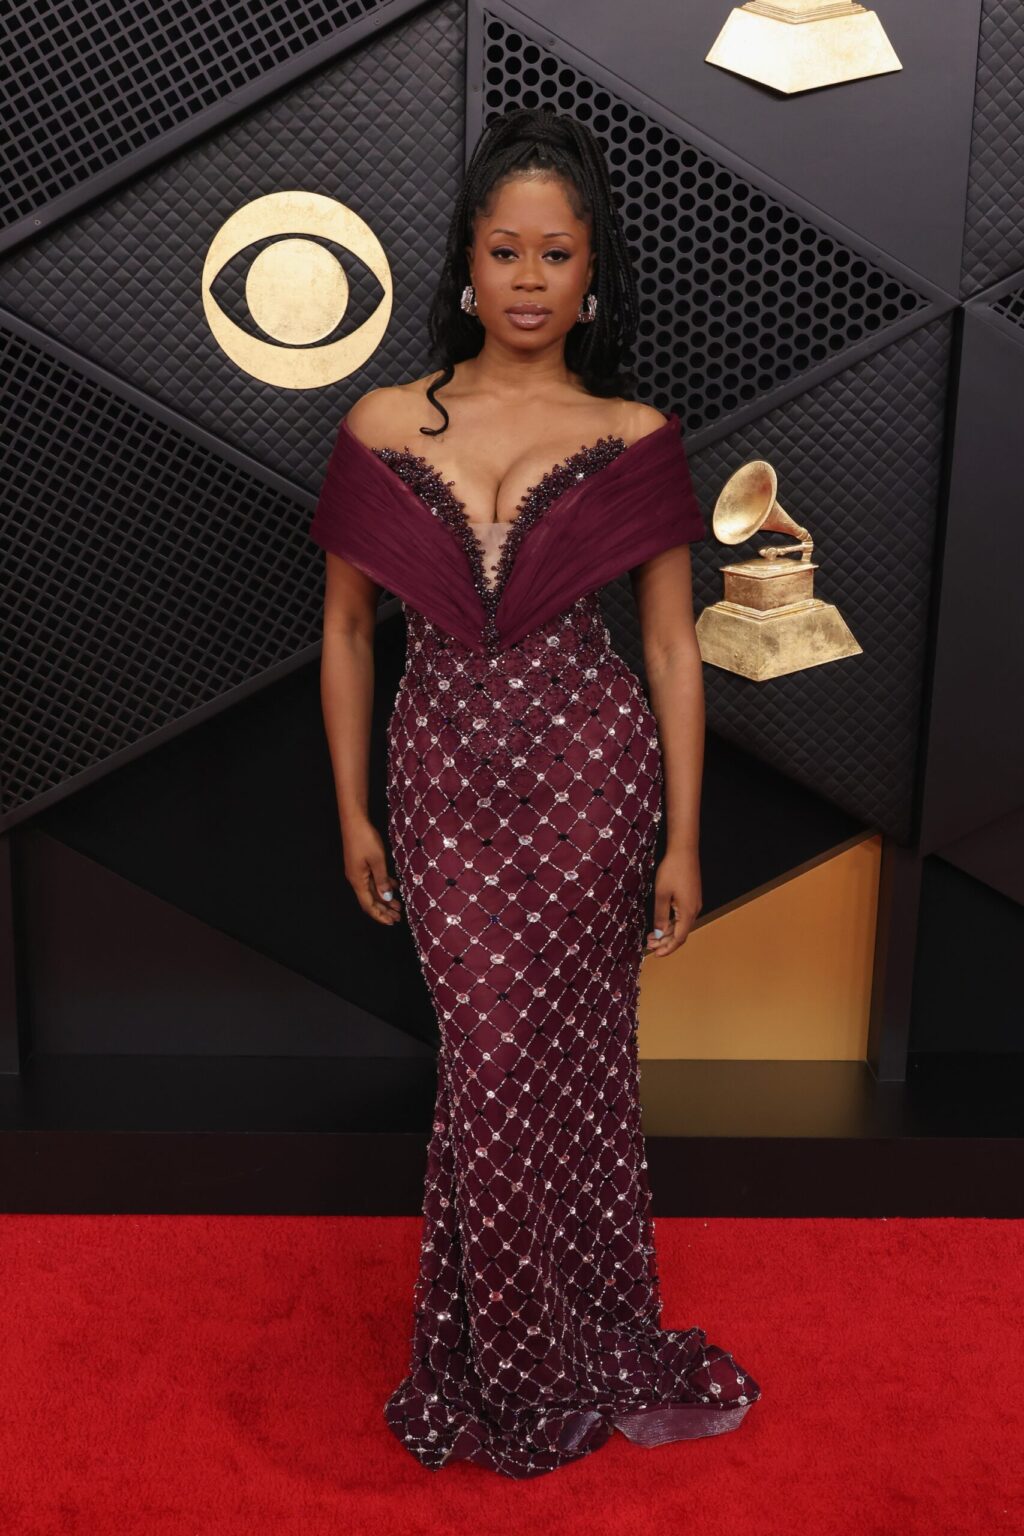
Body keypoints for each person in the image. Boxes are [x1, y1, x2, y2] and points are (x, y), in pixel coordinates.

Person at [310, 106, 761, 1479]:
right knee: (491, 1063)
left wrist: (686, 835)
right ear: (465, 261)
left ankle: (548, 1346)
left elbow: (676, 646)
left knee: (555, 1072)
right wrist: (353, 811)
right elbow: (342, 633)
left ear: (588, 271)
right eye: (503, 250)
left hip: (589, 782)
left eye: (553, 254)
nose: (524, 278)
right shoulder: (387, 421)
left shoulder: (634, 432)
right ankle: (502, 1351)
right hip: (440, 777)